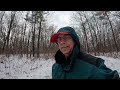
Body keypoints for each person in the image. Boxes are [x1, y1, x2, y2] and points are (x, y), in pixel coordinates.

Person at [50, 26, 119, 79]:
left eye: (66, 38)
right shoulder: (55, 67)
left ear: (75, 41)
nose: (62, 42)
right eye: (59, 39)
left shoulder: (92, 63)